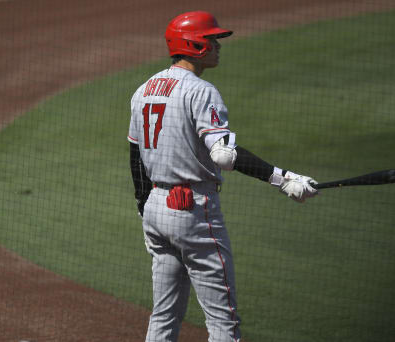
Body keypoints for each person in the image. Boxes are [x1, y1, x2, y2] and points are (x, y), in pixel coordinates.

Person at [127, 11, 318, 342]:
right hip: (193, 212)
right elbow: (223, 155)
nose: (217, 45)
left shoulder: (144, 89)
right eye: (211, 39)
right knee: (222, 320)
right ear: (194, 44)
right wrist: (283, 179)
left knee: (164, 313)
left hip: (156, 210)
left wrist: (146, 203)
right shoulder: (201, 91)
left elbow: (135, 154)